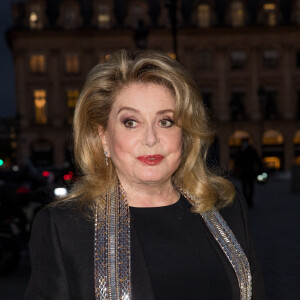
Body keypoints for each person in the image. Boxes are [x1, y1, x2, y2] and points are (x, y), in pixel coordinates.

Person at [25, 50, 265, 300]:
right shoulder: (64, 228)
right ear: (103, 136)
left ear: (185, 134)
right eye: (131, 122)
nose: (151, 140)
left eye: (166, 122)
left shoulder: (227, 209)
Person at [234, 138, 263, 207]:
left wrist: (261, 169)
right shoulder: (240, 151)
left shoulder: (252, 151)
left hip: (251, 171)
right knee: (244, 187)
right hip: (243, 172)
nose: (245, 144)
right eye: (244, 142)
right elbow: (237, 162)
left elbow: (257, 160)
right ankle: (246, 200)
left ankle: (250, 200)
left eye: (246, 142)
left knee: (251, 186)